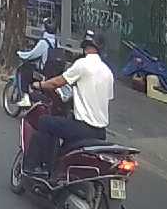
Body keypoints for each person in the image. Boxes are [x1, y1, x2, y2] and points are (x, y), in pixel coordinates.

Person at [24, 30, 115, 178]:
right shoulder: (108, 73)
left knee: (45, 122)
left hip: (83, 128)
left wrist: (39, 85)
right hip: (100, 132)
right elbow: (103, 98)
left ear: (85, 46)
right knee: (64, 124)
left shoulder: (83, 64)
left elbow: (57, 83)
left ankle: (34, 167)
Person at [13, 19, 58, 107]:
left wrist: (20, 54)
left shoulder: (44, 42)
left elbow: (31, 55)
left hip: (43, 71)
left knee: (24, 70)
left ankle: (26, 97)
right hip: (52, 72)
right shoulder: (56, 42)